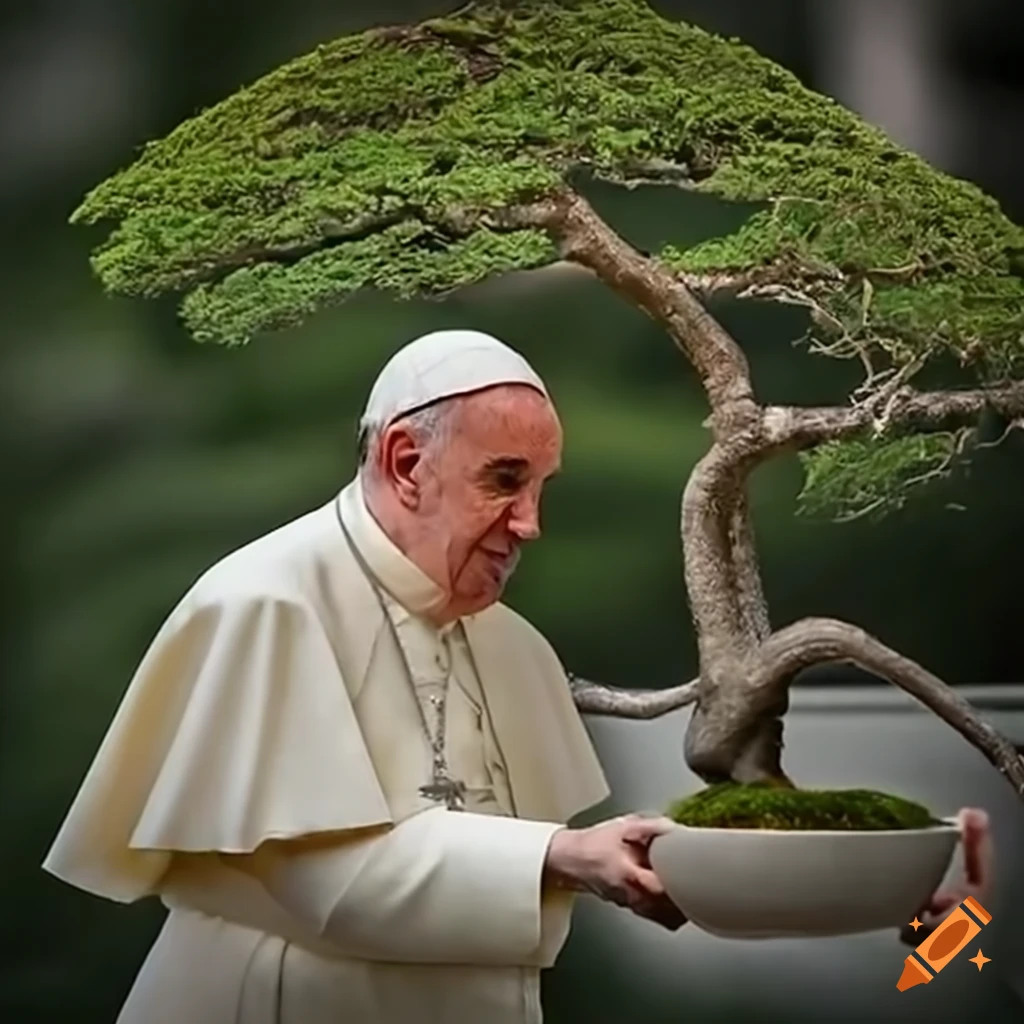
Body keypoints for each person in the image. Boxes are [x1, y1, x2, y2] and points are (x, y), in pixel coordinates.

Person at [43, 329, 991, 1024]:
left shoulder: (511, 646)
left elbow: (620, 870)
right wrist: (560, 857)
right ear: (406, 462)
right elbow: (321, 881)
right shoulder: (264, 605)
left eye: (542, 488)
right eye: (504, 481)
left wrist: (898, 899)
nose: (531, 522)